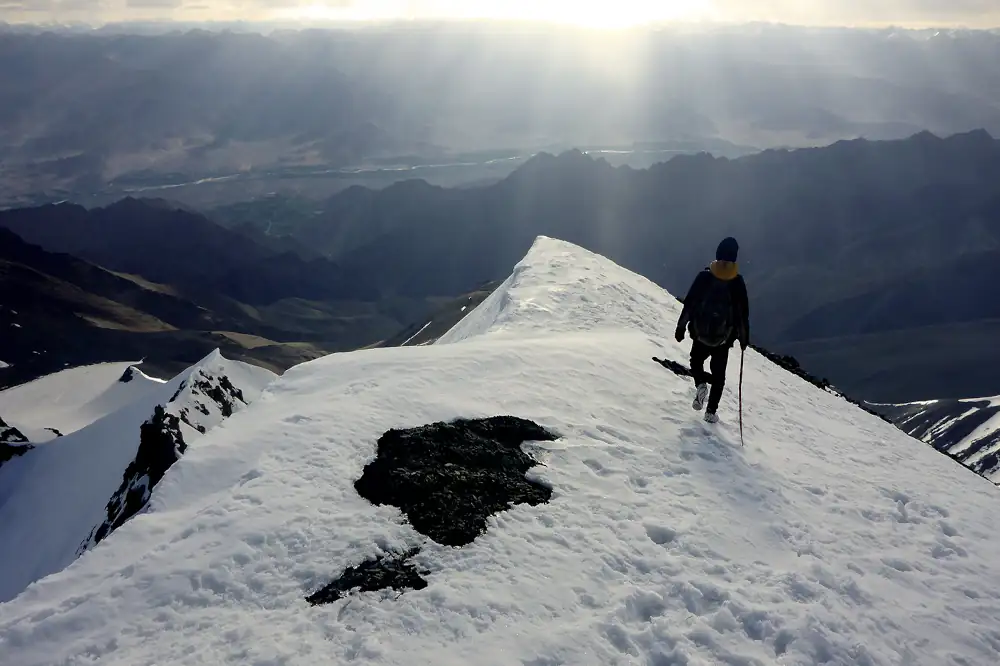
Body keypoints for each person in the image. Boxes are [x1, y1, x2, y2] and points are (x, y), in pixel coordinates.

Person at [674, 237, 750, 423]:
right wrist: (743, 338)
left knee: (696, 361)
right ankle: (710, 412)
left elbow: (690, 303)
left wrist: (681, 326)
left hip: (700, 334)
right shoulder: (737, 283)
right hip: (723, 340)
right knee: (719, 377)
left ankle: (700, 384)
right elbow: (742, 314)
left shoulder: (704, 277)